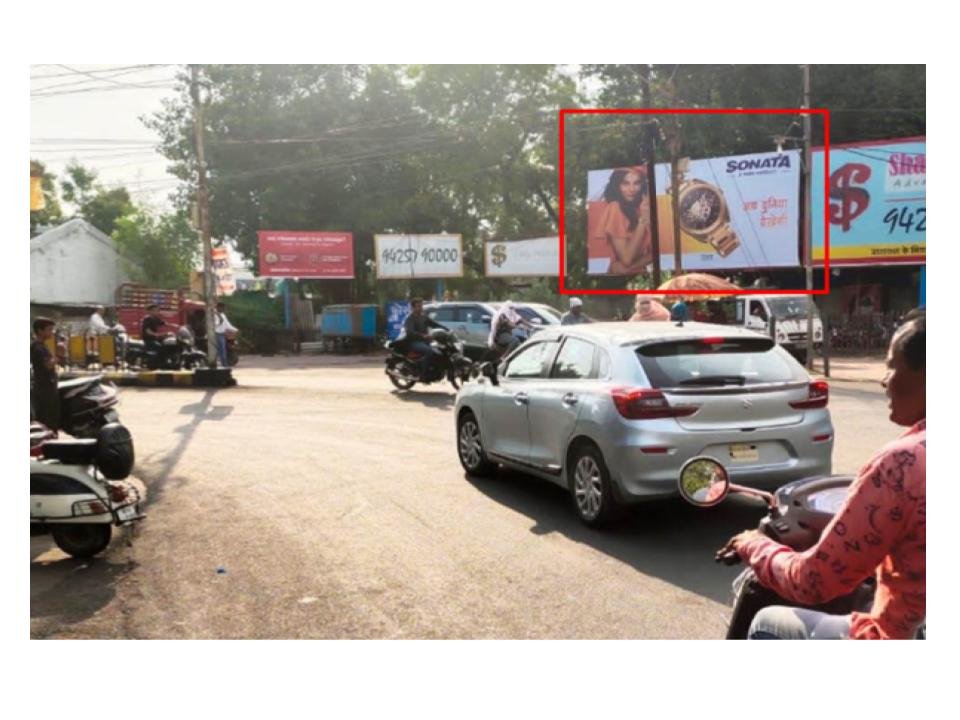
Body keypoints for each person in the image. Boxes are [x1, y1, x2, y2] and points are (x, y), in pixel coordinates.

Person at [721, 309, 925, 640]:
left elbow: (813, 581)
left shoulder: (900, 465)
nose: (884, 380)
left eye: (892, 366)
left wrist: (753, 545)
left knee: (765, 621)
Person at [592, 167, 653, 276]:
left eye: (636, 183)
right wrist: (643, 221)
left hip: (642, 275)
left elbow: (655, 253)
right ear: (617, 185)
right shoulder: (615, 207)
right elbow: (627, 259)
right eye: (625, 183)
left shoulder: (641, 208)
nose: (632, 189)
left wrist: (632, 267)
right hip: (617, 278)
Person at [31, 317, 60, 431]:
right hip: (44, 388)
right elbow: (48, 365)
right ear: (40, 331)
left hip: (47, 386)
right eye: (49, 329)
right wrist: (59, 355)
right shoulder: (37, 347)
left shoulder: (42, 346)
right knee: (48, 417)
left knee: (51, 416)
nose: (52, 332)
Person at [402, 297, 443, 376]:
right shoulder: (410, 318)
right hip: (414, 342)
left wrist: (447, 330)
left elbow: (434, 324)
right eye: (418, 306)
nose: (421, 308)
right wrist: (423, 336)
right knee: (429, 351)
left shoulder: (423, 316)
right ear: (413, 308)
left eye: (421, 306)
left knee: (439, 349)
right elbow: (410, 332)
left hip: (425, 341)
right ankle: (422, 372)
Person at [214, 302, 238, 367]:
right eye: (222, 308)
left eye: (224, 308)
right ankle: (224, 365)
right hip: (217, 334)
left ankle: (224, 364)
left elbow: (227, 324)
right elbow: (215, 325)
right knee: (221, 350)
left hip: (222, 334)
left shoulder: (223, 315)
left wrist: (235, 330)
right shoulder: (214, 315)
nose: (223, 309)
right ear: (218, 307)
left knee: (223, 350)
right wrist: (220, 321)